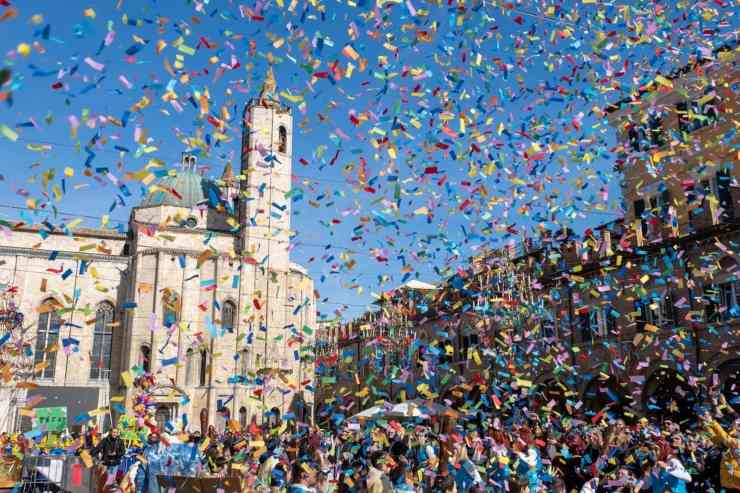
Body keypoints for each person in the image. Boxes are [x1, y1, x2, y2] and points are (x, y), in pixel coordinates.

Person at [702, 412, 740, 492]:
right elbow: (712, 438)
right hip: (727, 482)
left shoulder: (737, 442)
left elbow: (726, 439)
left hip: (736, 482)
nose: (735, 425)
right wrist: (705, 425)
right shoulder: (731, 437)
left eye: (738, 424)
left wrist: (712, 423)